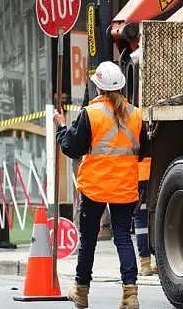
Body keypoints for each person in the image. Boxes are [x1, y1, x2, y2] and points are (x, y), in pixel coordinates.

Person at [55, 61, 148, 309]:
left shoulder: (91, 114)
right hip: (125, 188)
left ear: (98, 88)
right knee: (123, 239)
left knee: (89, 239)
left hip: (94, 187)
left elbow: (71, 148)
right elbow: (142, 153)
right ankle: (130, 295)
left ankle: (81, 291)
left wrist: (61, 128)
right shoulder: (137, 115)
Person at [135, 157, 157, 276]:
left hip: (139, 174)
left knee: (141, 220)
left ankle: (145, 264)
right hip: (156, 172)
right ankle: (159, 262)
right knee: (157, 217)